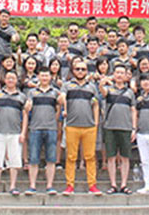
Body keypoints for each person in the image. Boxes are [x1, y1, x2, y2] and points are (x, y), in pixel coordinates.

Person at [59, 58, 102, 195]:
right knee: (71, 157)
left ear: (86, 71)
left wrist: (95, 123)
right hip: (72, 125)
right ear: (73, 70)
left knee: (90, 157)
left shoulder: (92, 87)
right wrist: (62, 103)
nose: (80, 71)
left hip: (89, 126)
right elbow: (62, 98)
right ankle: (69, 186)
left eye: (83, 69)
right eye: (77, 69)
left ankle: (92, 185)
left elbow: (95, 105)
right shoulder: (67, 85)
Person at [0, 70, 27, 196]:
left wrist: (23, 132)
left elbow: (25, 116)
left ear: (16, 80)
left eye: (13, 78)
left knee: (14, 160)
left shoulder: (21, 97)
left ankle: (13, 186)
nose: (10, 80)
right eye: (8, 78)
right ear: (5, 80)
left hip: (15, 132)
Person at [99, 64, 137, 194]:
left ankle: (124, 184)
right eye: (117, 72)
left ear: (126, 76)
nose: (119, 75)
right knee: (111, 157)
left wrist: (134, 128)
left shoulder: (130, 92)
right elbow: (103, 92)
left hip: (126, 127)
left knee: (125, 157)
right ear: (113, 75)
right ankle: (113, 184)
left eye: (122, 73)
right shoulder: (109, 90)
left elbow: (133, 110)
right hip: (110, 126)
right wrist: (101, 83)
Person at [24, 66, 61, 195]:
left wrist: (53, 121)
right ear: (38, 77)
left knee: (51, 159)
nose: (44, 78)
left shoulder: (55, 92)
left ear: (50, 77)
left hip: (51, 128)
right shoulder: (32, 92)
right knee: (33, 158)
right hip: (35, 128)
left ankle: (50, 185)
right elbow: (27, 109)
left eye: (47, 76)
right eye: (42, 75)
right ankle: (32, 185)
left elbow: (58, 110)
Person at [0, 9, 19, 78]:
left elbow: (15, 37)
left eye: (6, 17)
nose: (4, 18)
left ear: (9, 18)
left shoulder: (10, 29)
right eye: (3, 16)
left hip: (5, 55)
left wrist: (15, 38)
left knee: (5, 75)